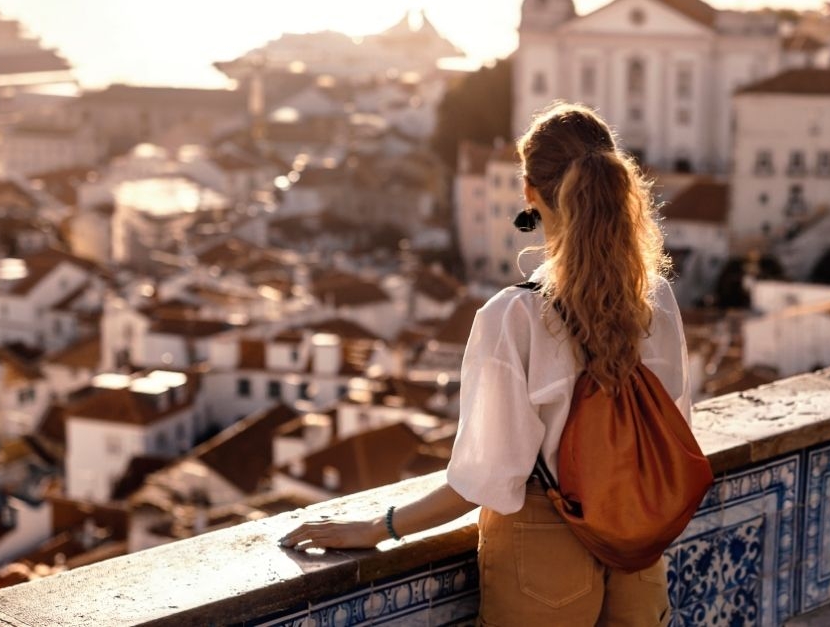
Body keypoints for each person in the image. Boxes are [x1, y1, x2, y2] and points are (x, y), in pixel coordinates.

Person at [279, 102, 691, 626]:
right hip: (638, 542)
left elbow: (488, 478)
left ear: (529, 192)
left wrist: (379, 527)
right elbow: (675, 424)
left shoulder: (513, 316)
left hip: (545, 552)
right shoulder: (655, 298)